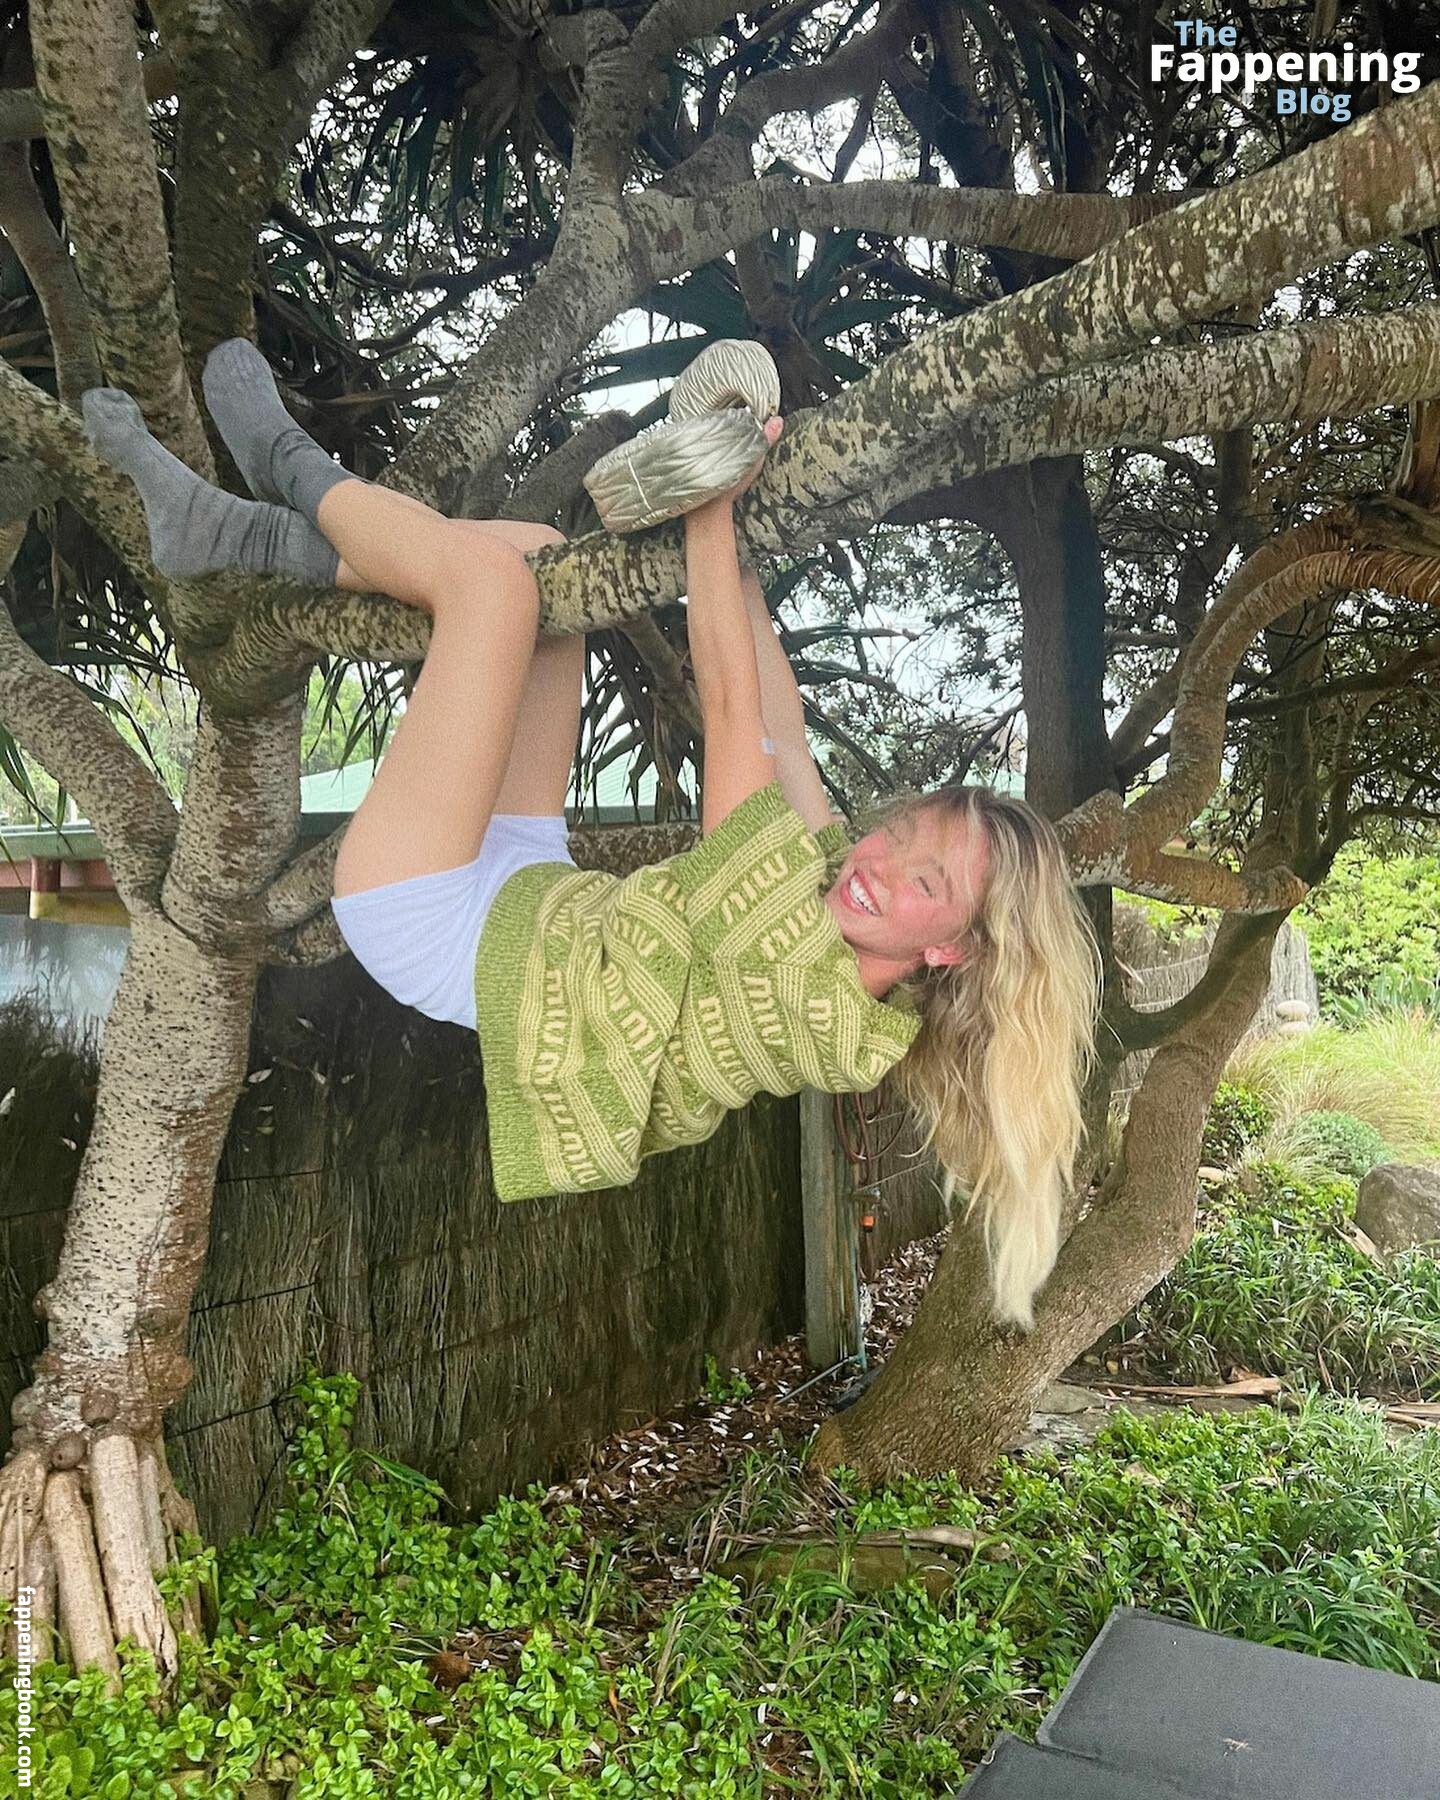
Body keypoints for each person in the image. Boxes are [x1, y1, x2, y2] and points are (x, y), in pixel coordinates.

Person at [82, 340, 1101, 1328]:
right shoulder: (834, 890)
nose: (881, 863)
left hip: (434, 922)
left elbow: (732, 711)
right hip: (540, 898)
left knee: (490, 592)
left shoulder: (800, 986)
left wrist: (710, 505)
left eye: (926, 884)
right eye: (902, 833)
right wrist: (741, 542)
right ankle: (232, 538)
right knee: (537, 559)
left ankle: (286, 463)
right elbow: (784, 728)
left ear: (950, 949)